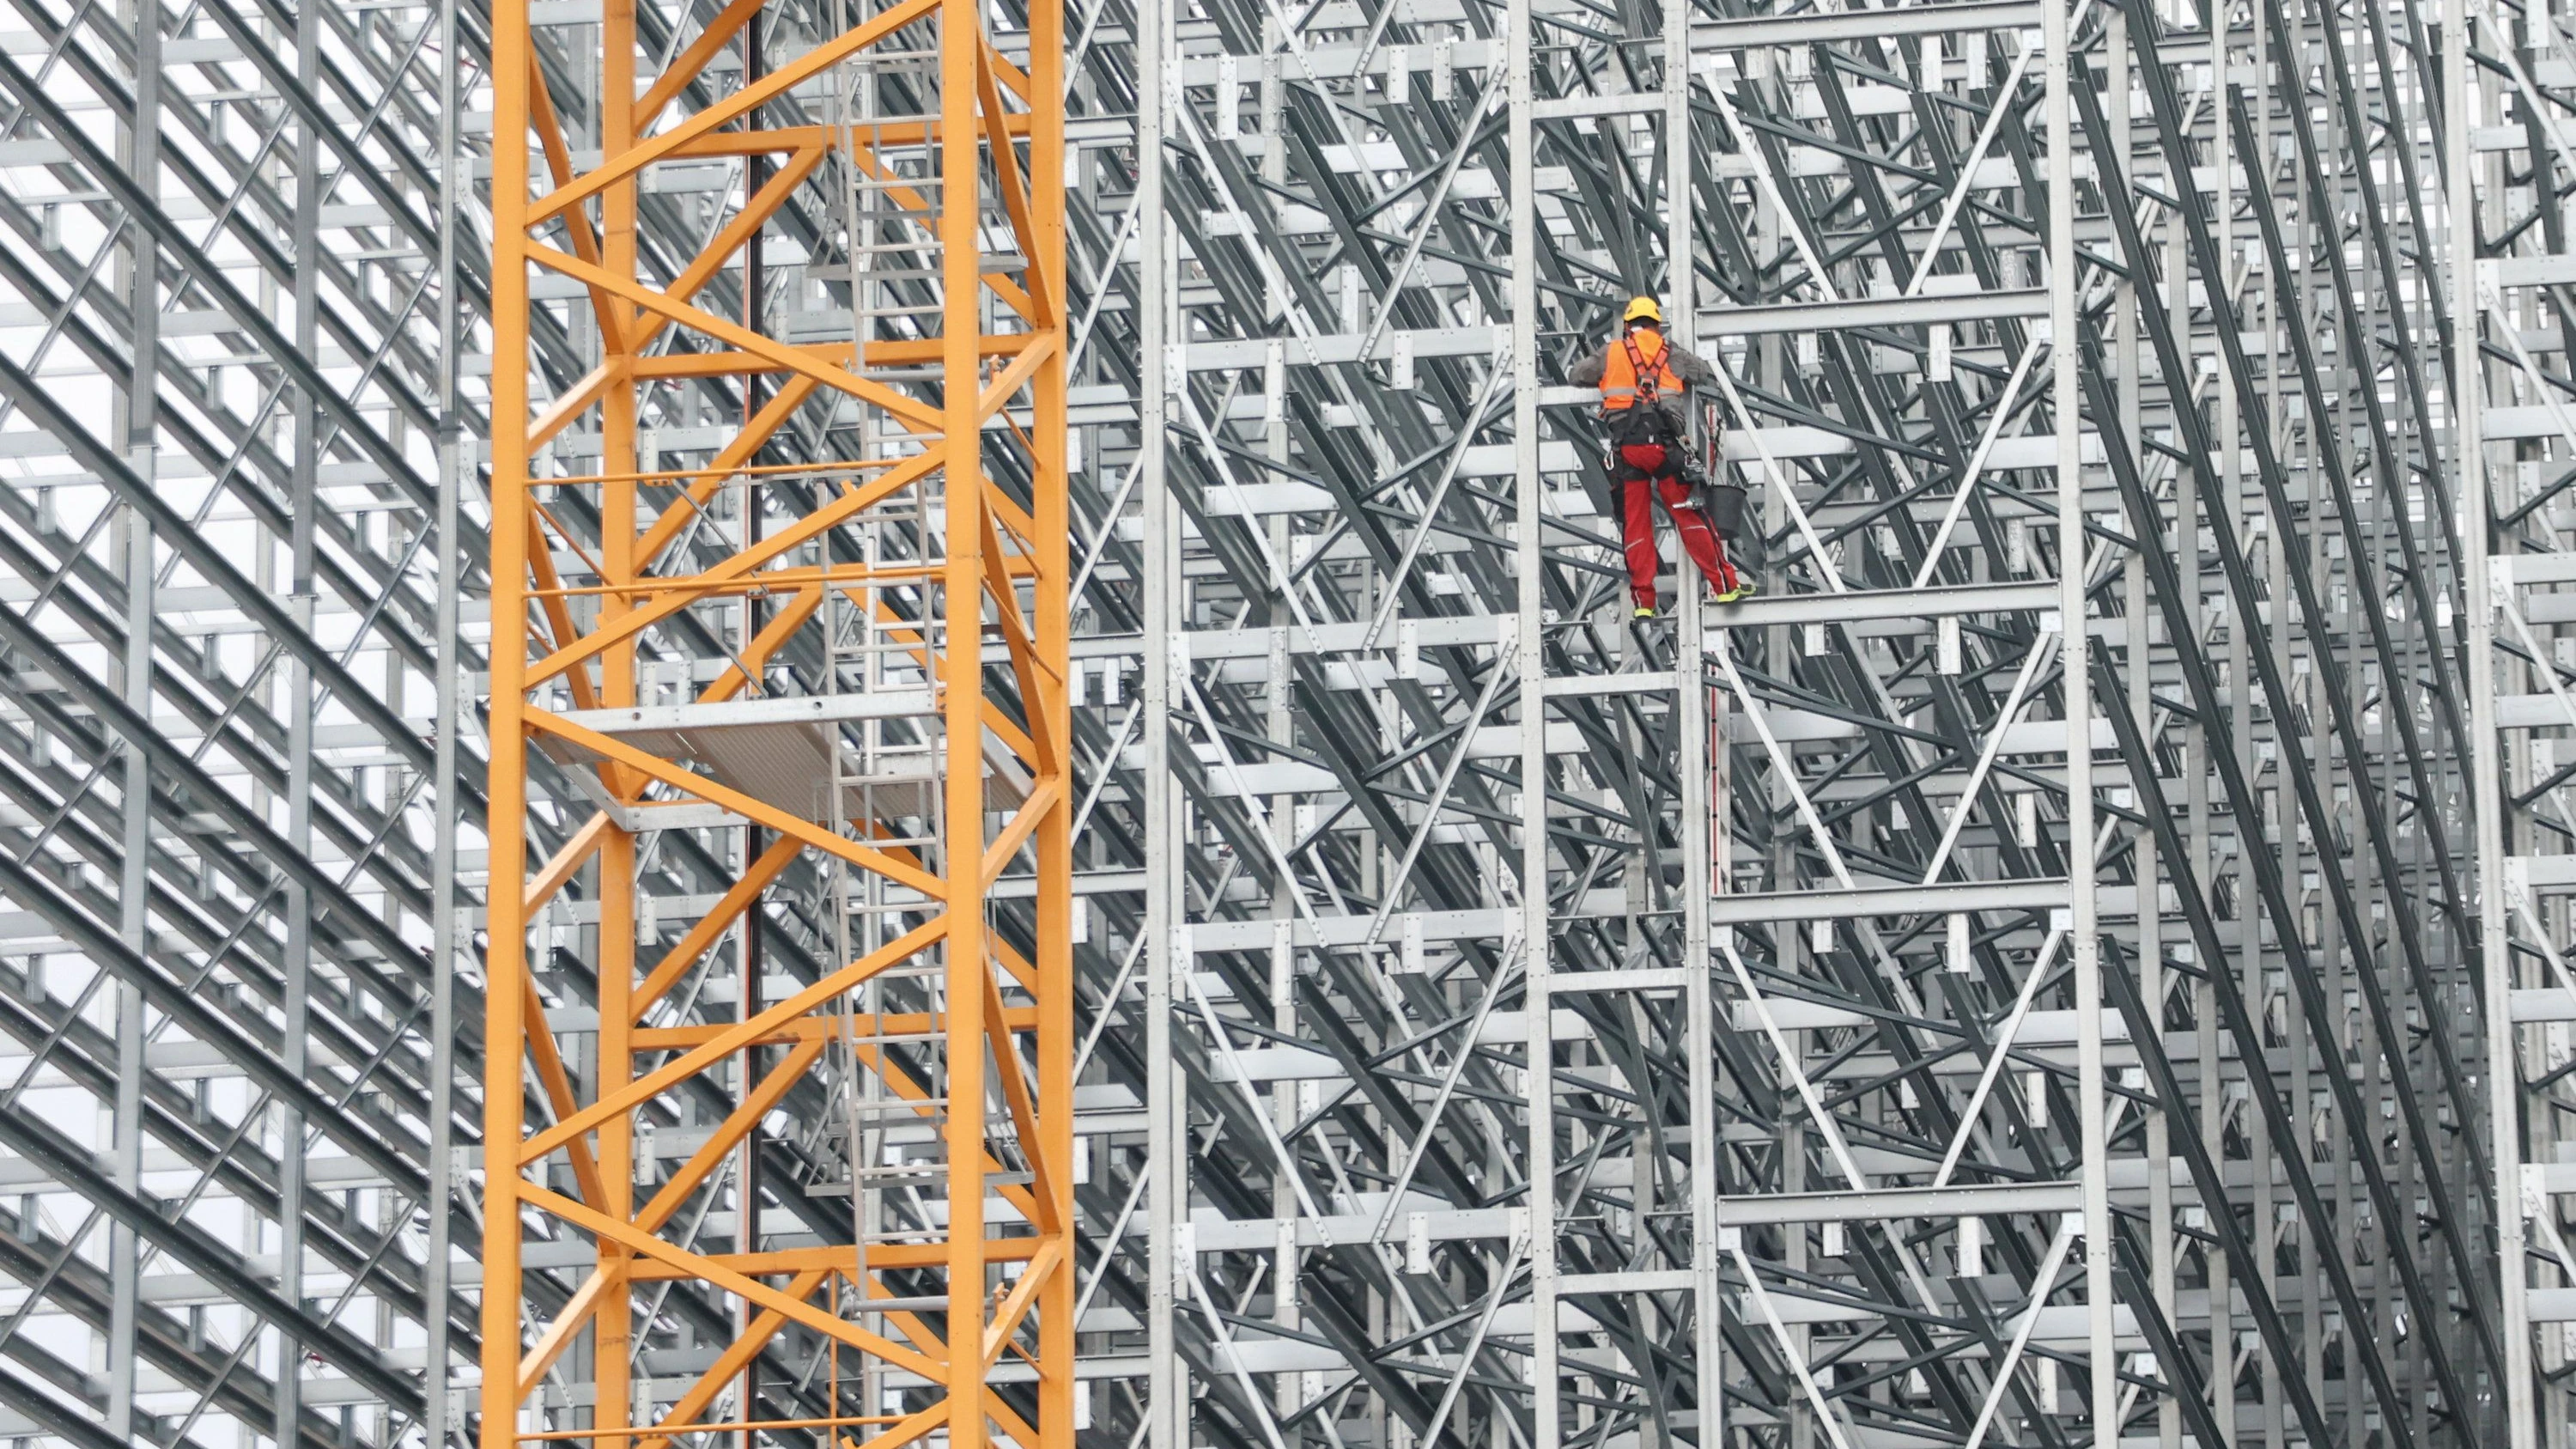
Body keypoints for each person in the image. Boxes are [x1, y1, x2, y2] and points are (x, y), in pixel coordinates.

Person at [1568, 295, 1747, 617]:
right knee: (1691, 519)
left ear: (1628, 326)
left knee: (1636, 527)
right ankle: (1724, 586)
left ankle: (1644, 603)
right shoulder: (1672, 353)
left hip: (1629, 450)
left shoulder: (1612, 352)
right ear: (1656, 325)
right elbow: (1702, 373)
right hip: (1667, 451)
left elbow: (1577, 375)